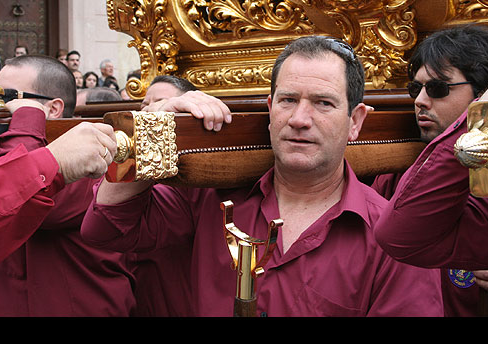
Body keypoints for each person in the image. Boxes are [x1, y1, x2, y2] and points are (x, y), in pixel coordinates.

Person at [81, 35, 443, 317]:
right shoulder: (211, 199)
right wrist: (156, 127)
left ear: (355, 121)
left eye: (323, 103)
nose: (300, 119)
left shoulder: (394, 239)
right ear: (270, 110)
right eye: (287, 100)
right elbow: (106, 227)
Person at [371, 25, 488, 316]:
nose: (420, 100)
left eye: (437, 88)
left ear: (485, 94)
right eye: (415, 88)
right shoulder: (393, 178)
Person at [0, 55, 135, 317]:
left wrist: (26, 119)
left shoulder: (98, 159)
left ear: (53, 108)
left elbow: (21, 197)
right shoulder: (0, 155)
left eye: (7, 98)